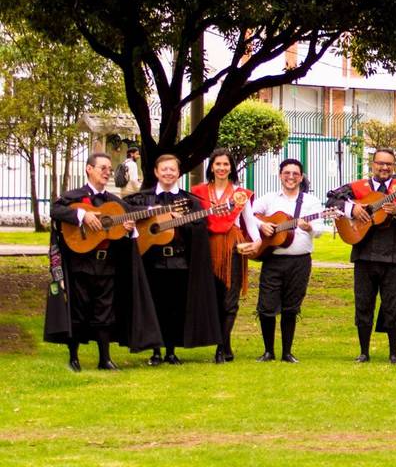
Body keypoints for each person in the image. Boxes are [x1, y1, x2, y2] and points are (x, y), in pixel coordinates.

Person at [44, 152, 160, 371]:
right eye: (102, 168)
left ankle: (104, 359)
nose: (107, 172)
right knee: (78, 309)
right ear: (89, 169)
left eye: (109, 168)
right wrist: (82, 216)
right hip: (80, 262)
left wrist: (132, 226)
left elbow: (130, 215)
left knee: (105, 310)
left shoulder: (113, 202)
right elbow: (55, 210)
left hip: (107, 264)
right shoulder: (74, 196)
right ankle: (74, 357)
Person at [326, 148, 396, 364]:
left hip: (393, 256)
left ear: (394, 166)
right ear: (373, 164)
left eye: (389, 164)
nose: (384, 167)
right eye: (380, 163)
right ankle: (364, 351)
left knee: (392, 305)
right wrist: (352, 210)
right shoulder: (358, 187)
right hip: (364, 254)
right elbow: (331, 201)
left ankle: (393, 352)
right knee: (363, 304)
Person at [126, 154, 221, 365]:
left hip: (180, 262)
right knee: (154, 306)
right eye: (164, 169)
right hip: (151, 261)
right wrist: (153, 213)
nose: (168, 173)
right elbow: (124, 211)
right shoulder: (144, 199)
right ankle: (155, 352)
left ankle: (171, 350)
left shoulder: (190, 202)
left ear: (179, 173)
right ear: (156, 172)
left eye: (172, 170)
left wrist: (182, 223)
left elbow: (200, 229)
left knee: (175, 308)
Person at [191, 148, 261, 364]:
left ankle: (221, 348)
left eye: (226, 164)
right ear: (211, 166)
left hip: (232, 246)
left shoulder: (241, 193)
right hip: (208, 247)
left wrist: (257, 240)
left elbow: (249, 220)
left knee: (230, 298)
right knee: (213, 297)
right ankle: (226, 344)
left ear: (231, 168)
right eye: (218, 164)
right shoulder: (198, 191)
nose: (222, 168)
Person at [253, 158, 325, 363]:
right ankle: (268, 351)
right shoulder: (269, 199)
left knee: (291, 307)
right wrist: (262, 226)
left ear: (301, 177)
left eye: (295, 173)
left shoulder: (310, 202)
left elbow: (320, 228)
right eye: (287, 173)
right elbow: (250, 215)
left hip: (299, 261)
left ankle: (287, 352)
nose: (291, 177)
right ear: (280, 175)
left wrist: (309, 227)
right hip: (273, 260)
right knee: (266, 307)